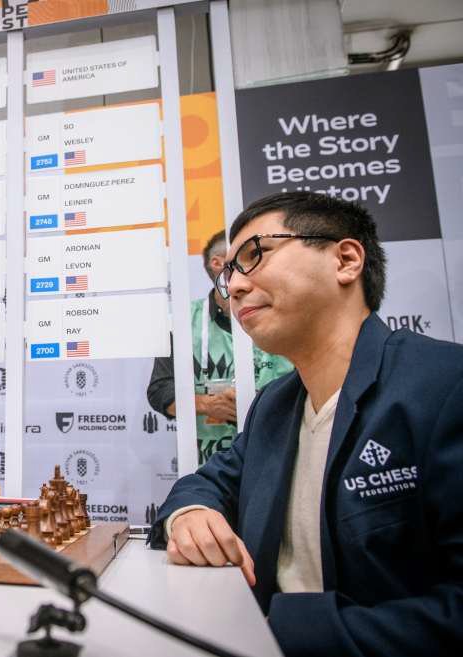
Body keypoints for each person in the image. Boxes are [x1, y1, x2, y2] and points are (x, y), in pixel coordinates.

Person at [150, 192, 463, 656]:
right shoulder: (275, 406)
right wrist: (192, 514)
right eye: (228, 273)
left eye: (254, 255)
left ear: (346, 260)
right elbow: (204, 484)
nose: (233, 287)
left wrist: (282, 630)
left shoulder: (446, 386)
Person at [147, 231, 292, 464]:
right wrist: (208, 405)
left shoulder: (284, 315)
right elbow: (159, 391)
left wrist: (257, 403)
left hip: (279, 457)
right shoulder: (182, 322)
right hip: (209, 465)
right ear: (218, 263)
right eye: (250, 255)